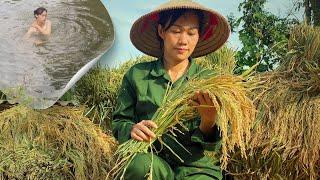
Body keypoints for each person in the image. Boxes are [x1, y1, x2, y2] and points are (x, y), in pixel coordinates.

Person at [112, 0, 230, 179]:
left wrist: (208, 120)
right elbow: (120, 120)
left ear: (199, 36)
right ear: (161, 31)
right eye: (176, 31)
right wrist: (131, 129)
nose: (183, 41)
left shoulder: (210, 81)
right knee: (138, 167)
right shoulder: (137, 75)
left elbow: (215, 144)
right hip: (151, 157)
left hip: (195, 167)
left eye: (191, 33)